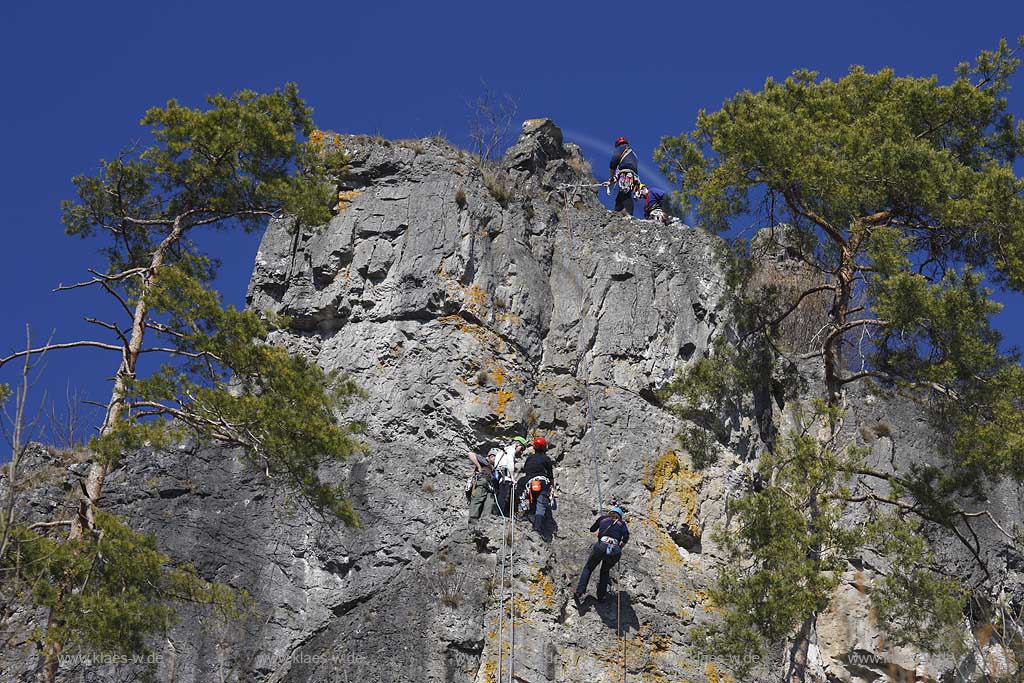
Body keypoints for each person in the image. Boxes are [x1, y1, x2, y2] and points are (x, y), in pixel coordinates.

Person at [572, 506, 630, 603]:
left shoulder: (603, 519)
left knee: (588, 568)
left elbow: (592, 529)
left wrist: (601, 525)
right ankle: (601, 596)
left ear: (610, 513)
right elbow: (626, 537)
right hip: (614, 550)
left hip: (601, 546)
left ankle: (579, 591)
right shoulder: (622, 524)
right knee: (604, 572)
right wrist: (619, 547)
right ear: (619, 516)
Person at [516, 437, 556, 537]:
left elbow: (526, 471)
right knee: (541, 504)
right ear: (544, 447)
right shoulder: (546, 459)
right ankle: (537, 527)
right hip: (542, 483)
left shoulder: (530, 458)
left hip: (529, 483)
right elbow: (550, 476)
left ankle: (529, 516)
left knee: (532, 501)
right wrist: (552, 488)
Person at [493, 436, 528, 517]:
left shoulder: (503, 451)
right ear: (517, 443)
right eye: (521, 448)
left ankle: (499, 512)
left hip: (499, 475)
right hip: (505, 476)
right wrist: (512, 478)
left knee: (501, 494)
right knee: (504, 495)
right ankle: (501, 513)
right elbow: (510, 463)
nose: (521, 452)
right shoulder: (511, 450)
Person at [466, 447, 500, 523]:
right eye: (495, 458)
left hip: (490, 486)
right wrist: (478, 466)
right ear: (491, 456)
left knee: (489, 503)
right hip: (482, 481)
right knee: (478, 499)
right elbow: (470, 454)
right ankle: (473, 520)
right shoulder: (485, 461)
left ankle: (485, 520)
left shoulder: (494, 468)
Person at [606, 137, 639, 215]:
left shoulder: (621, 149)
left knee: (625, 194)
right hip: (631, 176)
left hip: (625, 175)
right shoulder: (633, 154)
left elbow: (613, 162)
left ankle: (629, 214)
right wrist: (612, 181)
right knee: (620, 197)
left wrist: (611, 177)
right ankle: (617, 213)